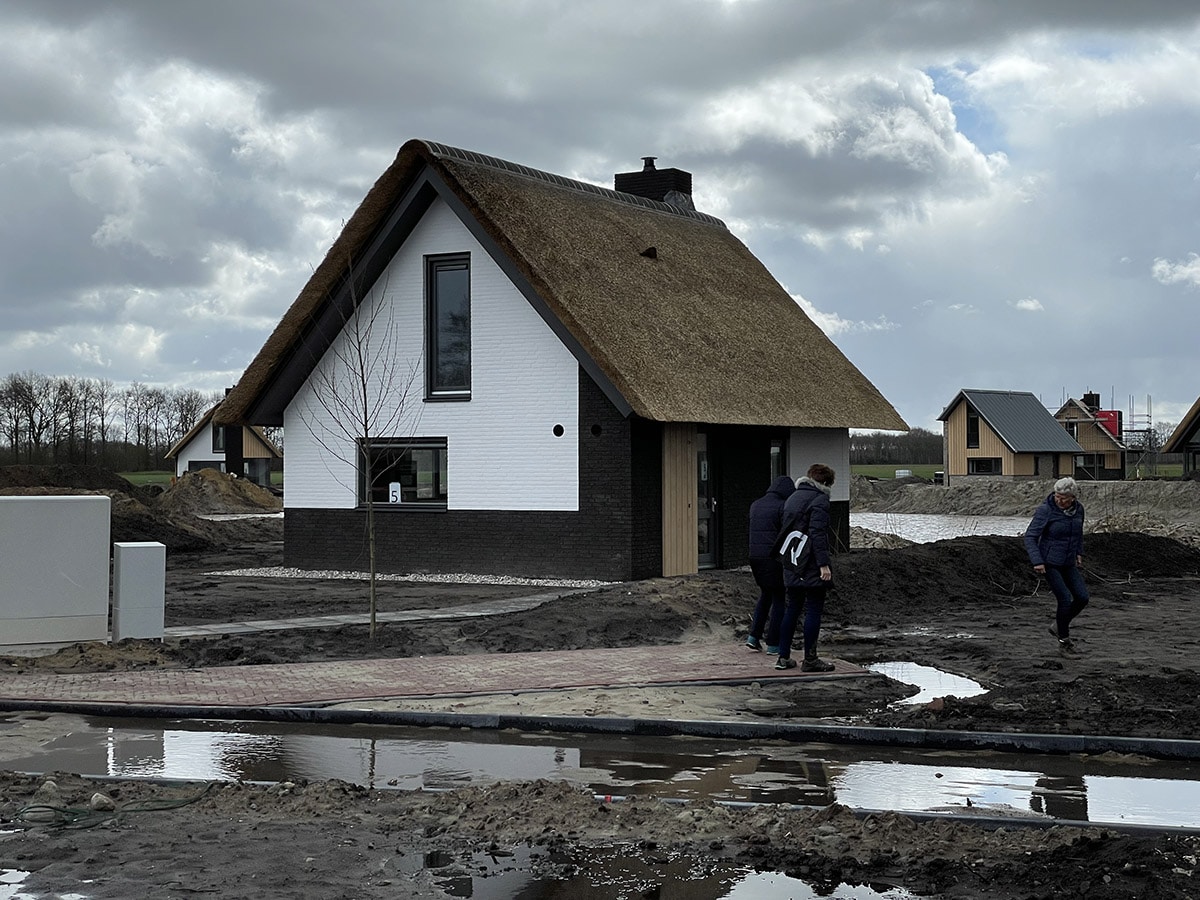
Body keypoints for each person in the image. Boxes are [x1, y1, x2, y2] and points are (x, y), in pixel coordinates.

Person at [774, 463, 837, 672]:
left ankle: (783, 656)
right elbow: (818, 534)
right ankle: (810, 660)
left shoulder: (792, 498)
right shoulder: (820, 500)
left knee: (792, 608)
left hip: (790, 561)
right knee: (813, 609)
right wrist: (823, 564)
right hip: (809, 563)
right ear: (826, 483)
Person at [1024, 476, 1089, 651]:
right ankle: (1064, 640)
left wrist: (1078, 552)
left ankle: (1058, 626)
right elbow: (1030, 537)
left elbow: (1078, 534)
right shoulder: (1046, 510)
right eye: (1057, 496)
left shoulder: (1079, 510)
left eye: (1063, 498)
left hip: (1068, 562)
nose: (1059, 500)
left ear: (1073, 498)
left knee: (1083, 597)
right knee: (1065, 599)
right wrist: (1037, 561)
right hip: (1049, 562)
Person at [745, 475, 796, 653]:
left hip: (755, 557)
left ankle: (754, 636)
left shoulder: (756, 504)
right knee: (779, 598)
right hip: (773, 558)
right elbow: (786, 533)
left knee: (766, 594)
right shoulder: (782, 507)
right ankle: (774, 643)